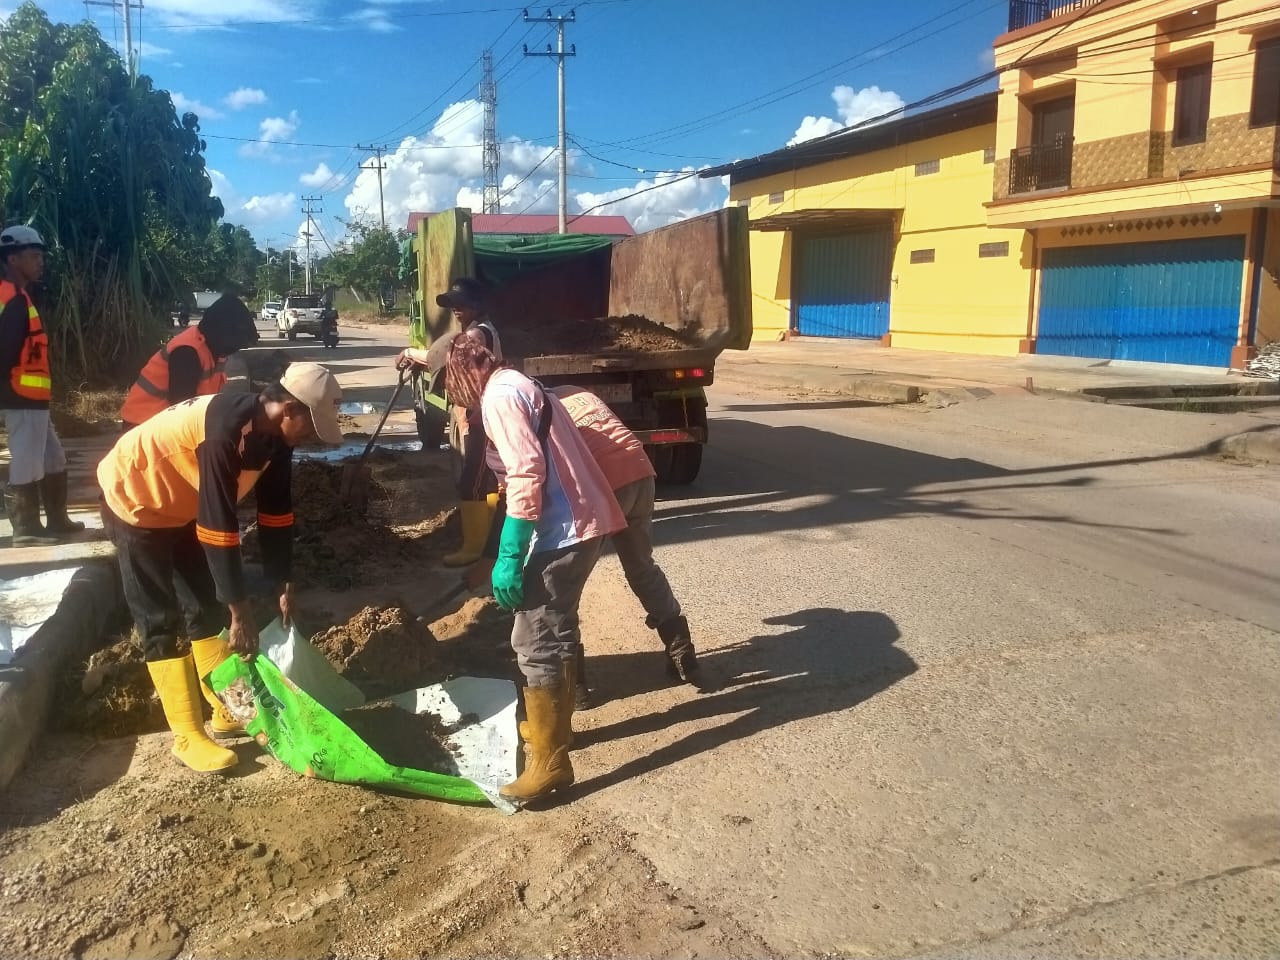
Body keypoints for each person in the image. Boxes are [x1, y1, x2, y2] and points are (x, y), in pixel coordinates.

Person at [97, 362, 343, 774]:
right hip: (137, 502)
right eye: (310, 424)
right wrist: (240, 611)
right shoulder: (223, 433)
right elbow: (218, 526)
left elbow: (277, 512)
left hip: (182, 509)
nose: (312, 435)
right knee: (160, 618)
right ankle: (187, 735)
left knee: (203, 608)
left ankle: (224, 707)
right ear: (288, 409)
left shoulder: (276, 441)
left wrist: (283, 578)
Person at [445, 335, 624, 805]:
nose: (457, 400)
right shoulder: (525, 385)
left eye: (453, 387)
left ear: (466, 373)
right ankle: (556, 732)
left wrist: (509, 555)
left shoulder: (501, 397)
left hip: (562, 529)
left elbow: (525, 474)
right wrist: (495, 550)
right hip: (583, 523)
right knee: (558, 628)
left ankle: (548, 763)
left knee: (534, 636)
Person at [472, 386, 707, 707]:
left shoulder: (526, 413)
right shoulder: (572, 394)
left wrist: (500, 556)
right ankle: (681, 649)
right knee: (641, 566)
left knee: (564, 583)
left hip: (602, 483)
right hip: (640, 473)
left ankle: (577, 687)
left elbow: (519, 496)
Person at [397, 277, 502, 567]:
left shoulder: (477, 335)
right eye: (454, 304)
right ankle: (491, 541)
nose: (457, 308)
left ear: (477, 305)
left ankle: (475, 548)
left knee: (473, 480)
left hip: (483, 416)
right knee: (486, 479)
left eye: (463, 303)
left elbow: (439, 357)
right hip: (482, 413)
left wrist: (411, 354)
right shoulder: (478, 331)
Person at [0, 225, 85, 547]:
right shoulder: (12, 299)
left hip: (31, 396)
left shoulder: (19, 295)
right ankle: (26, 529)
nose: (41, 262)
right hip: (19, 393)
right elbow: (5, 351)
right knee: (26, 458)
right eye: (34, 256)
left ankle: (57, 519)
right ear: (12, 258)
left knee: (53, 457)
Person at [120, 294, 259, 429]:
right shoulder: (187, 353)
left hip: (163, 424)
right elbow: (182, 409)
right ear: (223, 334)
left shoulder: (213, 349)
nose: (235, 349)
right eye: (236, 342)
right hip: (143, 426)